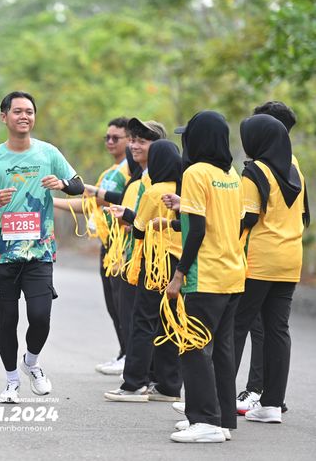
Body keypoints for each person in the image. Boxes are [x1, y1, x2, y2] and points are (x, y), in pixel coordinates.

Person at [0, 91, 83, 404]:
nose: (24, 116)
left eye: (29, 112)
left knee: (40, 316)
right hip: (3, 254)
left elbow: (77, 184)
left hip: (39, 252)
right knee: (7, 320)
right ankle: (11, 381)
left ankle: (31, 362)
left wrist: (62, 184)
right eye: (18, 111)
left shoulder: (48, 153)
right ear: (4, 116)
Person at [166, 110, 245, 443]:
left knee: (194, 346)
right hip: (233, 273)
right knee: (222, 351)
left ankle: (204, 421)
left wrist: (178, 274)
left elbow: (197, 230)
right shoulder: (232, 174)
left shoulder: (196, 172)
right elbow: (226, 222)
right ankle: (223, 420)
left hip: (206, 275)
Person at [232, 114, 307, 424]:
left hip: (259, 260)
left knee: (235, 326)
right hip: (290, 259)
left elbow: (247, 218)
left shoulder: (254, 171)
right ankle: (272, 405)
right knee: (278, 330)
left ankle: (215, 400)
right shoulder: (294, 169)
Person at [103, 138, 182, 403]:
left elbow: (139, 229)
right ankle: (169, 386)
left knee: (143, 321)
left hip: (155, 262)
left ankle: (134, 384)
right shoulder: (182, 190)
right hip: (178, 263)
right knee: (170, 322)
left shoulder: (153, 191)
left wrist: (129, 218)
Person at [54, 117, 130, 375]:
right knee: (113, 304)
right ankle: (124, 353)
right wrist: (52, 202)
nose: (110, 142)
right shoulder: (110, 173)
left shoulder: (131, 171)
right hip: (107, 243)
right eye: (107, 137)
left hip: (124, 244)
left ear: (130, 139)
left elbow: (117, 201)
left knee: (124, 304)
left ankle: (132, 357)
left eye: (116, 137)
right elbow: (91, 204)